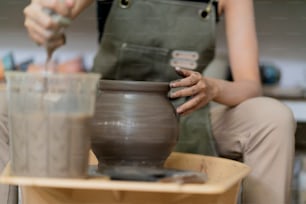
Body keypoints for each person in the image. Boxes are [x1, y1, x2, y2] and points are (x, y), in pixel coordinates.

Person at [0, 0, 295, 203]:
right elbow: (57, 8)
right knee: (3, 105)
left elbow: (250, 85)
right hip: (103, 112)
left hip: (187, 111)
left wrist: (213, 88)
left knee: (272, 117)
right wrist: (45, 15)